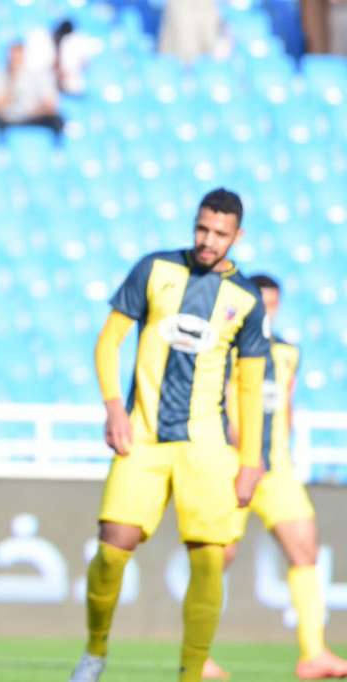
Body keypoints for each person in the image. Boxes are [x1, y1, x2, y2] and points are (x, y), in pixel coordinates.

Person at [69, 188, 271, 682]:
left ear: (236, 236)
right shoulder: (155, 269)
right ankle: (94, 654)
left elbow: (249, 385)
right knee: (113, 546)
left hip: (206, 446)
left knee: (208, 559)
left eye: (219, 234)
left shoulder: (245, 298)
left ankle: (192, 671)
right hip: (143, 434)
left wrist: (250, 460)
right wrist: (114, 407)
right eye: (202, 228)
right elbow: (109, 340)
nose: (207, 240)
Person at [203, 275, 347, 681]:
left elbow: (287, 405)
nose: (265, 311)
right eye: (258, 303)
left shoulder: (287, 352)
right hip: (232, 465)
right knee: (218, 556)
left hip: (277, 467)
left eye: (271, 304)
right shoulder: (225, 349)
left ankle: (313, 654)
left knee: (306, 551)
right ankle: (198, 653)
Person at [0, 41, 64, 136]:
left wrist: (32, 112)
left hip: (34, 117)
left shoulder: (39, 74)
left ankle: (57, 149)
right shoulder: (0, 73)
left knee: (57, 121)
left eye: (19, 55)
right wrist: (12, 81)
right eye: (12, 56)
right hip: (8, 118)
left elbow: (50, 106)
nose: (15, 59)